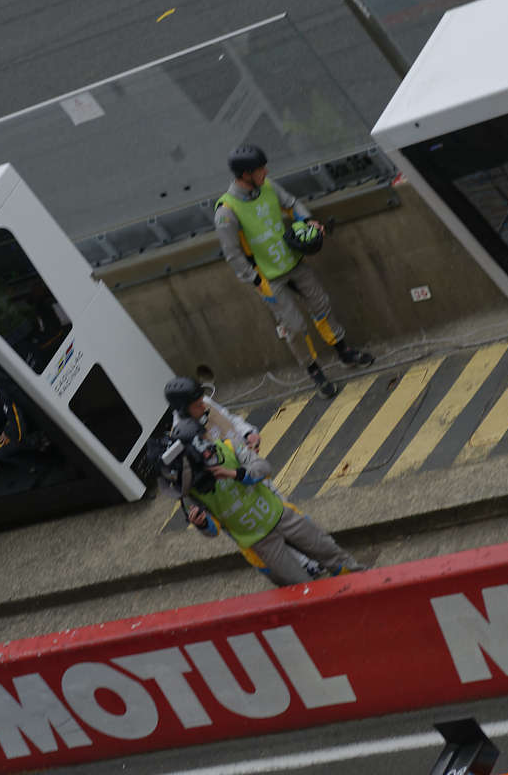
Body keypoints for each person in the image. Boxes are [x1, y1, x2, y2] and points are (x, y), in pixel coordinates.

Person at [156, 376, 363, 587]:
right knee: (295, 578)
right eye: (197, 404)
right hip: (246, 522)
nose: (203, 405)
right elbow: (212, 526)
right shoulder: (184, 447)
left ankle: (336, 572)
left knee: (319, 544)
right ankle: (305, 565)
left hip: (255, 484)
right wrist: (202, 522)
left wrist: (247, 435)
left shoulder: (210, 418)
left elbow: (231, 422)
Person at [215, 144, 373, 399]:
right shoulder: (226, 212)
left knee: (321, 304)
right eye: (259, 169)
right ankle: (314, 371)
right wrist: (256, 280)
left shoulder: (267, 186)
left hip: (293, 261)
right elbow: (232, 255)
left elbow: (291, 204)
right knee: (295, 327)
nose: (266, 171)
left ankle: (343, 352)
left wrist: (307, 220)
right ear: (245, 175)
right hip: (267, 277)